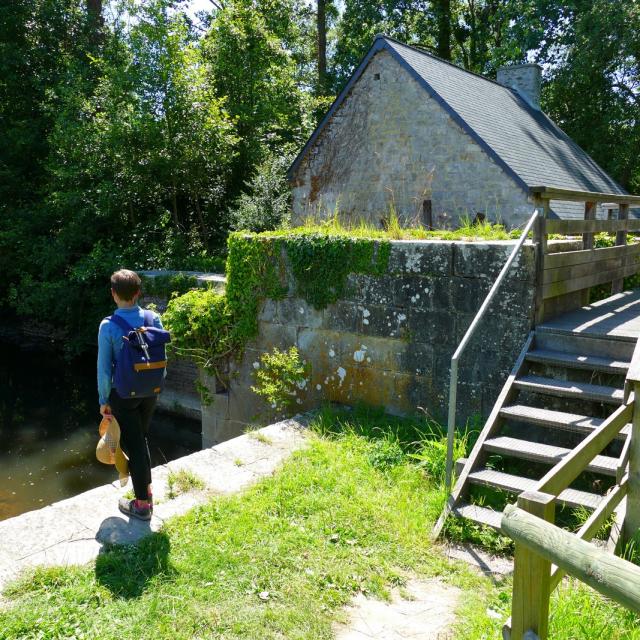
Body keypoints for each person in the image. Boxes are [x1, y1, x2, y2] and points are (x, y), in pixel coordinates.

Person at [97, 269, 164, 521]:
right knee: (140, 439)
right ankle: (145, 489)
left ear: (113, 294)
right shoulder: (154, 318)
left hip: (123, 394)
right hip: (150, 391)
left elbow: (104, 369)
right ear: (138, 293)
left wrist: (104, 400)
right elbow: (161, 357)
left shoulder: (108, 326)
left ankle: (143, 505)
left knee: (133, 444)